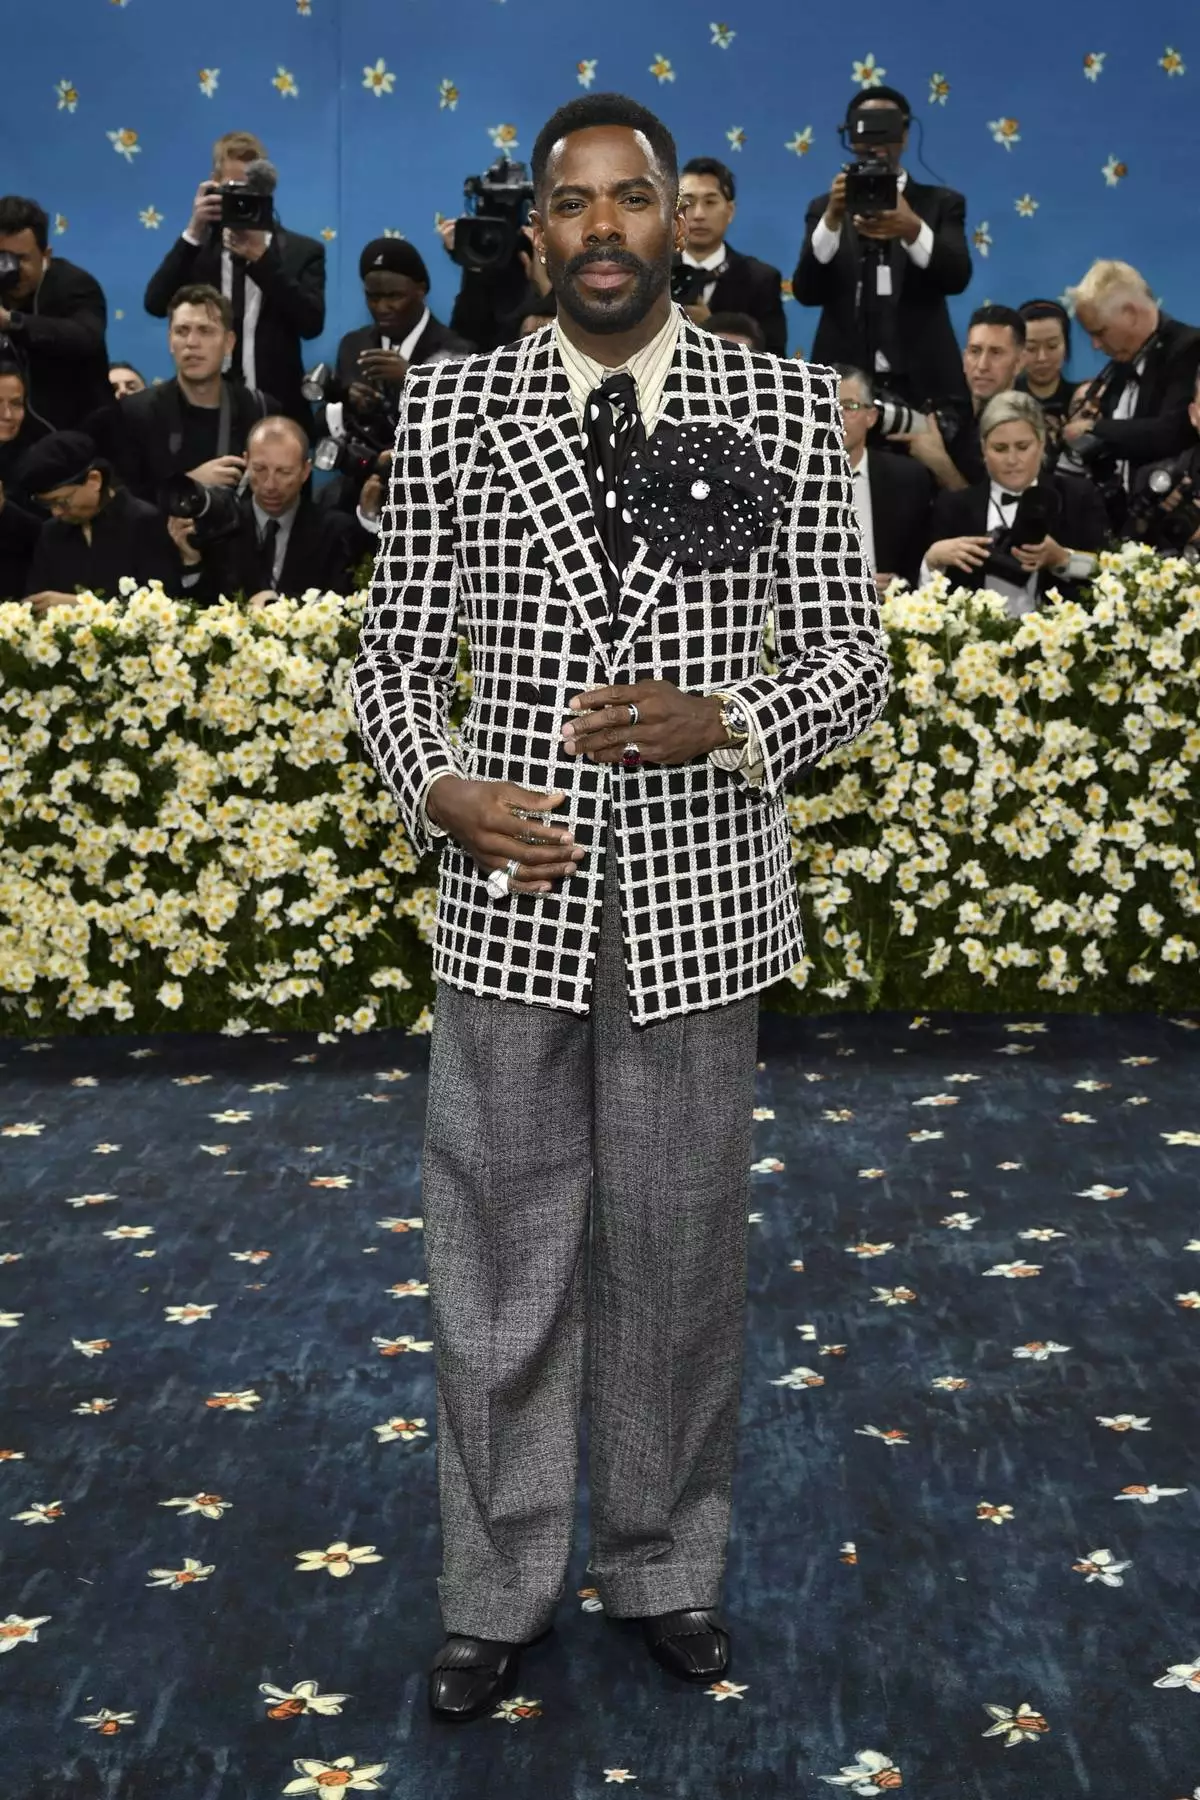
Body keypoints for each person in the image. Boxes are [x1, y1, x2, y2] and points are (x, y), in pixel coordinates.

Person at [351, 89, 889, 1724]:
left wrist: (730, 721)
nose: (602, 230)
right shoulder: (447, 412)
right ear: (539, 240)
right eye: (571, 206)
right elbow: (386, 667)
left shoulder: (789, 411)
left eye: (629, 200)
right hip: (506, 894)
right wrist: (440, 786)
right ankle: (496, 1584)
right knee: (496, 1262)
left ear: (680, 221)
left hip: (700, 900)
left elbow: (853, 664)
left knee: (675, 1256)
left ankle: (662, 1561)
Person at [792, 86, 970, 410]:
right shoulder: (824, 207)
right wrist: (832, 218)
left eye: (885, 126)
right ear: (851, 134)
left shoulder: (941, 204)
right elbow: (806, 291)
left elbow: (957, 277)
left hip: (923, 384)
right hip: (843, 385)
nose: (875, 139)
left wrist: (912, 227)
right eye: (865, 126)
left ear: (904, 135)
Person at [143, 130, 325, 429]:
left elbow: (311, 323)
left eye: (251, 189)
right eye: (233, 188)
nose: (242, 198)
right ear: (214, 186)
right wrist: (194, 230)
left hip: (278, 411)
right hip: (203, 414)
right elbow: (154, 303)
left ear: (267, 191)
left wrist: (261, 258)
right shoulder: (198, 251)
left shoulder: (301, 251)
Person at [921, 391, 1108, 613]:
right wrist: (932, 561)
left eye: (1022, 447)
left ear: (1041, 444)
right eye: (1000, 448)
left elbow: (1107, 573)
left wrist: (1062, 559)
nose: (1012, 460)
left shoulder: (1078, 497)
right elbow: (929, 605)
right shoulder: (953, 507)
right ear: (983, 449)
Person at [92, 285, 275, 505]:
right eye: (182, 331)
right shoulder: (133, 414)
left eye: (205, 331)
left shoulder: (260, 411)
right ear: (170, 341)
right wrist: (188, 484)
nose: (192, 343)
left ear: (229, 343)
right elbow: (119, 504)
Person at [170, 414, 367, 603]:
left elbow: (345, 604)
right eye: (260, 469)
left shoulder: (337, 532)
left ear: (305, 471)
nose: (270, 485)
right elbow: (203, 609)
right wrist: (192, 563)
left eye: (284, 472)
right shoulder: (220, 525)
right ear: (246, 462)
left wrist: (279, 604)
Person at [1060, 259, 1200, 489]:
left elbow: (1171, 432)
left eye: (1100, 332)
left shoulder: (1190, 348)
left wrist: (1094, 428)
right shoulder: (1123, 359)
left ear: (1130, 314)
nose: (1095, 345)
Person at [17, 430, 182, 612]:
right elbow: (36, 600)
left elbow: (161, 606)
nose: (56, 512)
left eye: (62, 502)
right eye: (48, 505)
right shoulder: (51, 533)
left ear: (94, 480)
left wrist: (82, 607)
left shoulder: (143, 522)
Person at [0, 195, 110, 431]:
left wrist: (12, 321)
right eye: (2, 258)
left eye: (21, 259)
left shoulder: (74, 284)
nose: (11, 270)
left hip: (78, 433)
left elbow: (86, 337)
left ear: (46, 255)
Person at [894, 304, 1026, 492]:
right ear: (964, 360)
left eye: (996, 353)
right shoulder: (946, 414)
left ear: (1019, 363)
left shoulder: (1028, 427)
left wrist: (940, 464)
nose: (982, 365)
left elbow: (994, 516)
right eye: (975, 351)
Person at [335, 239, 474, 400]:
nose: (381, 308)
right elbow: (324, 420)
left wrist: (413, 381)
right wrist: (349, 406)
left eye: (394, 296)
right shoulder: (353, 346)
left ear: (421, 290)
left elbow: (462, 417)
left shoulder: (457, 351)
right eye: (373, 297)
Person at [834, 364, 933, 589]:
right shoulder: (788, 484)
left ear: (871, 416)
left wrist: (898, 587)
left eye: (848, 406)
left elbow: (919, 562)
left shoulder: (909, 479)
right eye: (826, 406)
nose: (836, 417)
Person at [674, 157, 787, 354]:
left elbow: (773, 361)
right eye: (688, 203)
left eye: (710, 202)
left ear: (730, 210)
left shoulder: (761, 280)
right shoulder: (653, 272)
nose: (699, 214)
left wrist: (711, 327)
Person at [0, 361, 47, 598]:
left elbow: (54, 532)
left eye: (16, 404)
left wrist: (5, 510)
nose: (7, 415)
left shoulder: (41, 457)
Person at [1015, 299, 1074, 437]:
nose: (1042, 358)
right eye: (1031, 348)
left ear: (1066, 347)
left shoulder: (1081, 401)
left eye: (1052, 346)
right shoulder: (1005, 402)